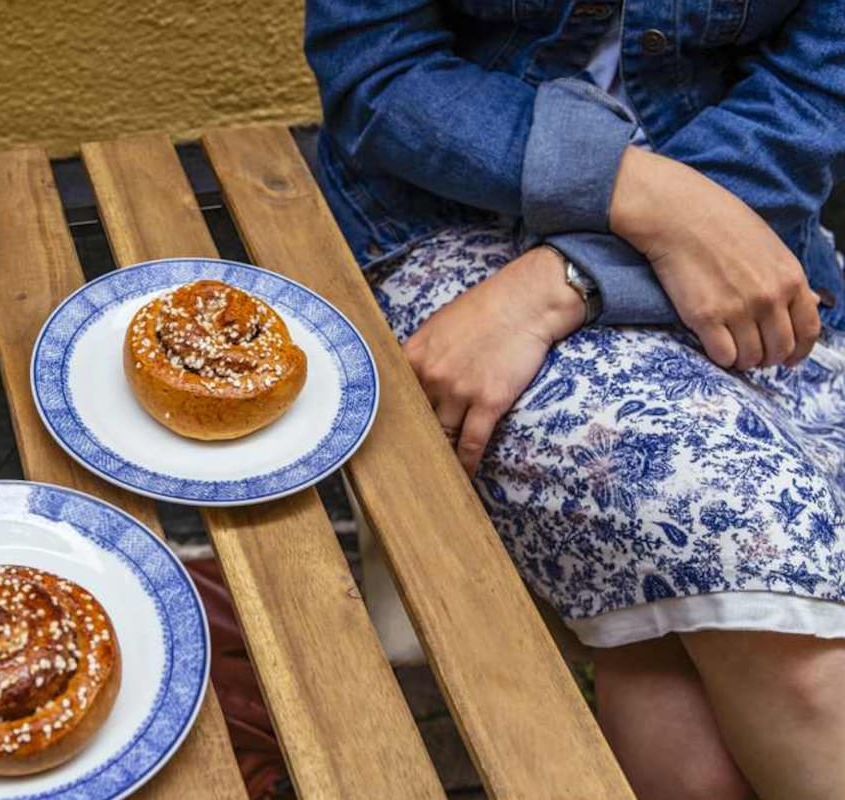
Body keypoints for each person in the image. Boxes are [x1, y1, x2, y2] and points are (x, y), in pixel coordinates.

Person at [305, 3, 845, 799]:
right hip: (448, 227)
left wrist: (564, 284)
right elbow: (376, 68)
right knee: (795, 657)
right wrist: (638, 191)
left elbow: (808, 99)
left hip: (745, 219)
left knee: (690, 690)